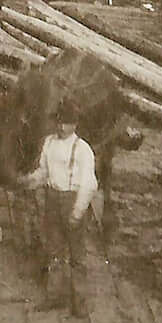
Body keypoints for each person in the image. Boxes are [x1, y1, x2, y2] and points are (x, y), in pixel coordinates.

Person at [28, 108, 102, 310]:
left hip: (73, 199)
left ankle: (79, 301)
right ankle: (54, 296)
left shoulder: (83, 149)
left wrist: (78, 211)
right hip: (53, 199)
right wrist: (30, 181)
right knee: (54, 250)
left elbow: (89, 184)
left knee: (77, 255)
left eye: (67, 123)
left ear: (75, 125)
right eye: (59, 122)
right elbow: (43, 171)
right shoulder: (49, 142)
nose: (61, 127)